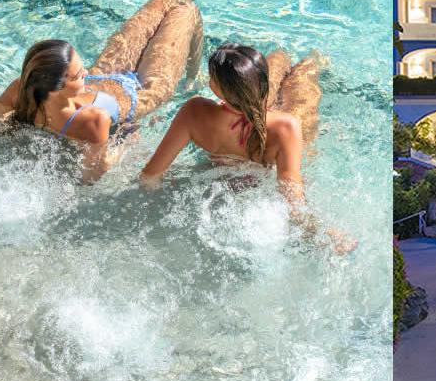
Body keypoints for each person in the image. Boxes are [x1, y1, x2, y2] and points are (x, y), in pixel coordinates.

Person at [0, 0, 231, 183]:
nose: (85, 73)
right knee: (186, 11)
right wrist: (123, 144)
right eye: (77, 76)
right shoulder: (92, 120)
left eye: (80, 66)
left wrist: (15, 127)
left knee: (161, 0)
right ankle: (191, 77)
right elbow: (91, 175)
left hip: (108, 71)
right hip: (143, 91)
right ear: (55, 88)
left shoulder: (23, 88)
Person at [137, 43, 352, 253]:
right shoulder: (286, 126)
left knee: (277, 57)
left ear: (214, 88)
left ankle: (283, 55)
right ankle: (312, 59)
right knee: (303, 79)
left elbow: (150, 176)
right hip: (271, 124)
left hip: (248, 115)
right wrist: (329, 235)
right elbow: (293, 199)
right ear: (262, 87)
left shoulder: (194, 112)